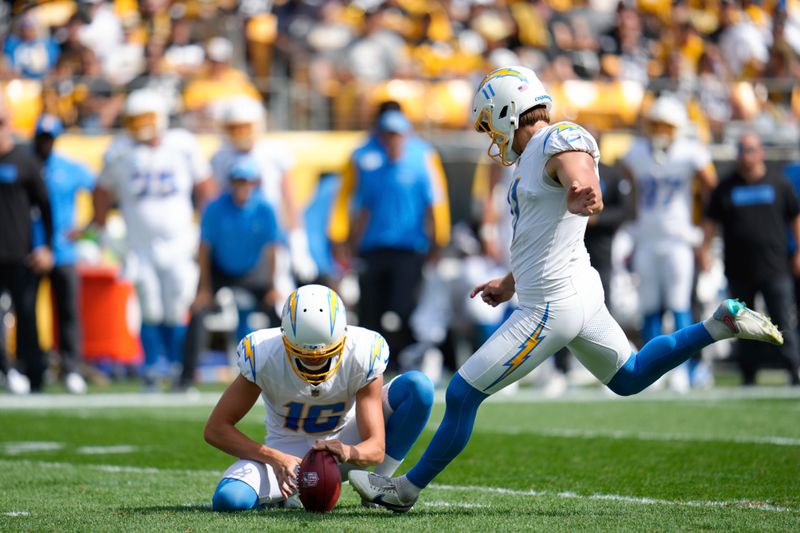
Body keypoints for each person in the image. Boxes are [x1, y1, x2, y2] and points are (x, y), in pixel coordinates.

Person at [348, 65, 784, 512]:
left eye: (490, 125)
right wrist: (509, 281)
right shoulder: (535, 154)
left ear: (506, 113)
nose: (490, 137)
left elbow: (575, 165)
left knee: (461, 393)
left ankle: (405, 489)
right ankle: (719, 324)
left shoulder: (553, 140)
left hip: (550, 306)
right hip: (576, 292)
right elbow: (541, 233)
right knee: (630, 376)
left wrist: (585, 187)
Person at [204, 284, 434, 510]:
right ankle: (281, 497)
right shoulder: (263, 352)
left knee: (417, 387)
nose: (314, 361)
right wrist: (275, 458)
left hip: (343, 444)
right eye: (303, 355)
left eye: (325, 354)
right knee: (230, 500)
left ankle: (377, 488)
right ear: (284, 339)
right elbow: (216, 429)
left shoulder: (362, 350)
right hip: (284, 458)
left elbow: (375, 448)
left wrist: (347, 451)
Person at [92, 89, 214, 390]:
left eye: (146, 118)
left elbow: (205, 187)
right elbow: (101, 191)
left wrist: (207, 227)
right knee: (148, 305)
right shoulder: (119, 151)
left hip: (179, 241)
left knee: (176, 304)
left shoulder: (181, 145)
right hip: (140, 244)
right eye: (134, 119)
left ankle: (176, 366)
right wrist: (101, 227)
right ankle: (151, 366)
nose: (140, 125)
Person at [328, 105, 450, 360]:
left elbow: (434, 202)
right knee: (371, 309)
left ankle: (403, 358)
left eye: (397, 134)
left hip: (409, 247)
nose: (392, 140)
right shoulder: (366, 161)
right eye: (388, 133)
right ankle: (372, 363)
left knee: (403, 309)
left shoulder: (422, 158)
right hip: (373, 247)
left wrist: (438, 239)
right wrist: (345, 240)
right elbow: (359, 206)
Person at [620, 96, 717, 388]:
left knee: (679, 305)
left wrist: (702, 228)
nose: (660, 131)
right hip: (648, 239)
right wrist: (634, 223)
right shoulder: (636, 152)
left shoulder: (690, 153)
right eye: (656, 124)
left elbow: (712, 185)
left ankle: (685, 371)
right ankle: (653, 370)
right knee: (648, 307)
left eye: (666, 125)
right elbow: (627, 180)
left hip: (678, 239)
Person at [701, 132, 800, 386]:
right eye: (742, 150)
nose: (746, 156)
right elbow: (710, 221)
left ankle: (794, 369)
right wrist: (704, 248)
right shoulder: (726, 187)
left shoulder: (779, 184)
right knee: (743, 325)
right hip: (739, 269)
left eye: (751, 150)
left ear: (761, 152)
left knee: (784, 319)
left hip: (775, 267)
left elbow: (795, 218)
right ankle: (748, 373)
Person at [179, 157, 282, 391]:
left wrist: (272, 285)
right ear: (230, 183)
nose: (242, 187)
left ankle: (289, 373)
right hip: (220, 268)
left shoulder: (265, 209)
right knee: (198, 311)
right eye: (237, 181)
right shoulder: (215, 208)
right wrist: (204, 288)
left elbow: (271, 249)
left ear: (254, 184)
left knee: (278, 315)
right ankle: (185, 379)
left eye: (247, 182)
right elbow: (204, 249)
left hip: (253, 269)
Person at [211, 97, 318, 289]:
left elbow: (290, 202)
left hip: (270, 235)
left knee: (281, 294)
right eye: (234, 128)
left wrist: (299, 245)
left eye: (245, 127)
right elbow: (217, 204)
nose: (240, 134)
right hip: (236, 238)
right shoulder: (220, 157)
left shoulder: (273, 152)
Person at [31, 114, 95, 394]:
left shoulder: (68, 167)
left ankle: (71, 368)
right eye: (42, 138)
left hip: (63, 250)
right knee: (26, 311)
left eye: (49, 138)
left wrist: (86, 227)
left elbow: (101, 190)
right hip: (30, 249)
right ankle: (32, 367)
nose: (45, 143)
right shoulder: (25, 164)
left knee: (69, 313)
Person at [0, 96, 54, 394]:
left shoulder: (24, 160)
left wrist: (46, 246)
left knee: (27, 315)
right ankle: (6, 370)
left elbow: (45, 208)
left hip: (19, 254)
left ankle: (34, 375)